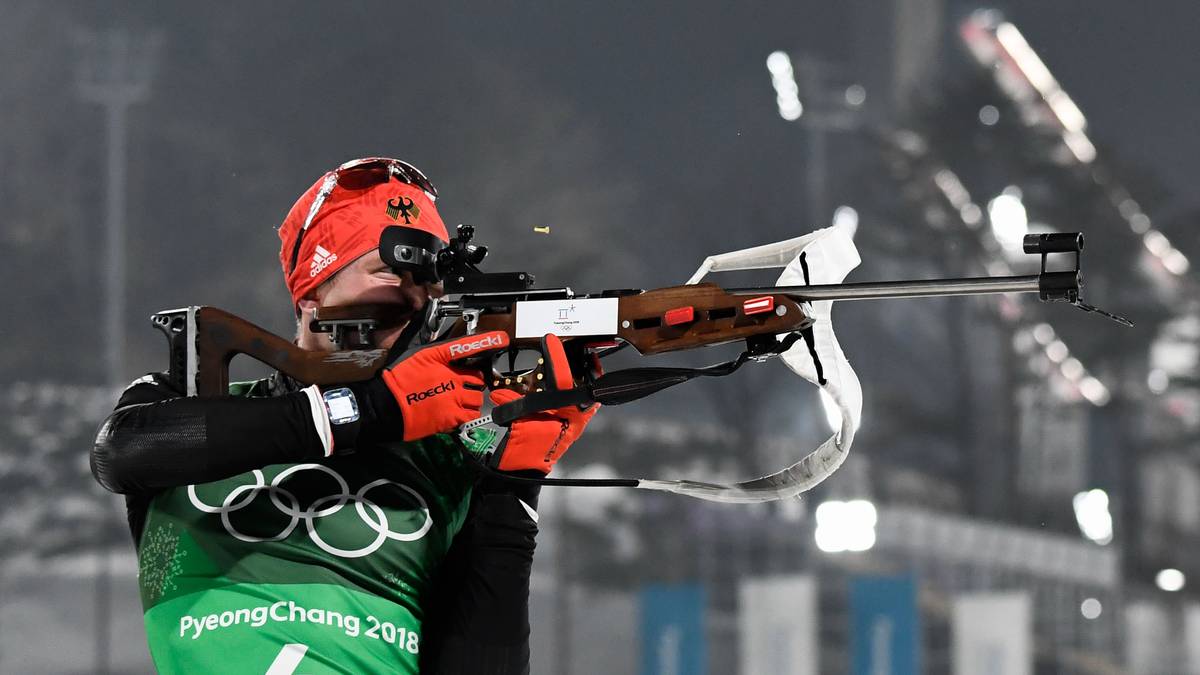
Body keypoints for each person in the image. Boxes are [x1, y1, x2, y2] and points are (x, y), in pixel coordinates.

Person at [91, 157, 597, 674]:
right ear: (313, 289)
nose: (415, 301)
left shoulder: (446, 459)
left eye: (427, 281)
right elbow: (120, 453)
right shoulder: (187, 401)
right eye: (390, 271)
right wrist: (369, 411)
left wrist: (513, 491)